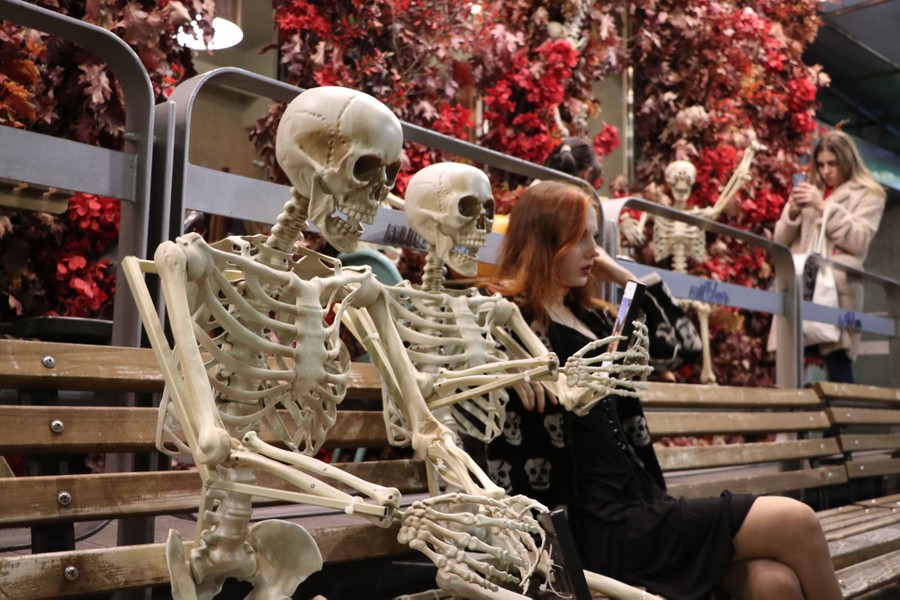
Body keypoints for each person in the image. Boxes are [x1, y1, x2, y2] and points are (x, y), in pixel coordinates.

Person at [486, 181, 841, 600]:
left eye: (595, 238)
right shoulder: (512, 322)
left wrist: (625, 277)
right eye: (580, 237)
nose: (593, 251)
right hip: (599, 525)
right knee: (797, 521)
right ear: (546, 239)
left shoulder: (598, 322)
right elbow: (463, 358)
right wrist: (506, 368)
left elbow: (682, 345)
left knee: (772, 584)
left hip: (643, 506)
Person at [774, 130, 886, 383]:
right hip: (801, 282)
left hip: (836, 288)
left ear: (847, 161)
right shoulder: (811, 190)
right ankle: (794, 420)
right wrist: (791, 212)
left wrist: (824, 208)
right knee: (790, 359)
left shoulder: (869, 195)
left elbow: (858, 240)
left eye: (832, 164)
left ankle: (839, 422)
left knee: (837, 360)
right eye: (821, 164)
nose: (826, 171)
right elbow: (779, 242)